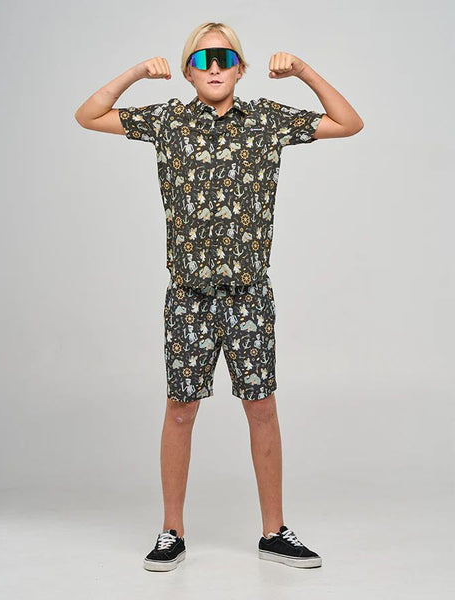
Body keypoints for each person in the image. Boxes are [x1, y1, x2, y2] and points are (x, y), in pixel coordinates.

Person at [74, 21, 363, 572]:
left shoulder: (265, 121)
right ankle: (171, 532)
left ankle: (274, 531)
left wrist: (302, 71)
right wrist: (137, 72)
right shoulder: (168, 121)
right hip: (189, 296)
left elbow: (349, 123)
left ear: (240, 68)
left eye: (224, 58)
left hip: (249, 294)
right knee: (181, 410)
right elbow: (87, 115)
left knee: (262, 407)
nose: (213, 67)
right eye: (202, 59)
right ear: (188, 71)